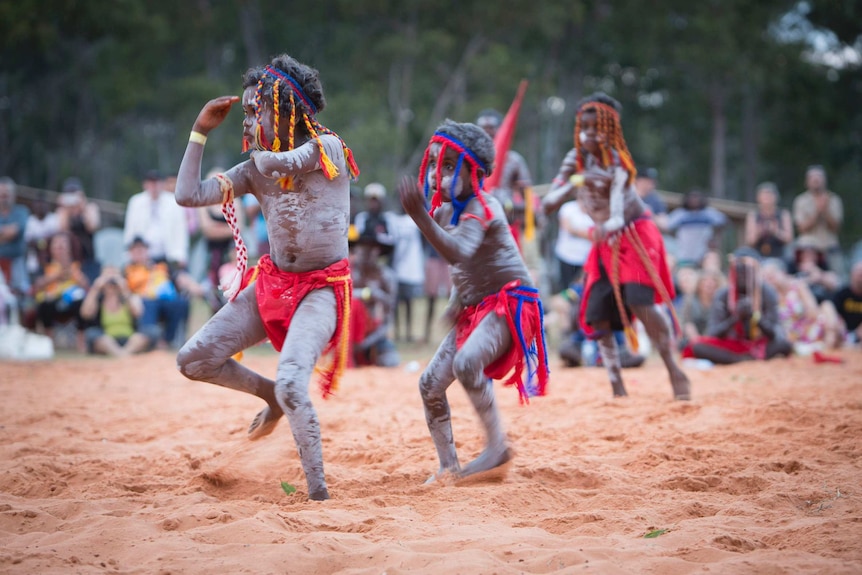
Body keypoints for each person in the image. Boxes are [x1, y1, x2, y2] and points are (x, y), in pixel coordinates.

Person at [174, 53, 359, 501]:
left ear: (288, 108)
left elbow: (280, 165)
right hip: (274, 285)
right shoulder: (257, 165)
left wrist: (257, 154)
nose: (251, 118)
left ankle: (318, 494)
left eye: (259, 108)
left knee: (296, 381)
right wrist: (199, 130)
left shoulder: (327, 148)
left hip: (322, 291)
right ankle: (270, 396)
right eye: (249, 111)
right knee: (193, 360)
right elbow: (187, 195)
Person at [398, 119, 549, 482]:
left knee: (467, 363)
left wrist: (418, 216)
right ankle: (448, 466)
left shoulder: (485, 206)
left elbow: (460, 252)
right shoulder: (441, 212)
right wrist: (456, 302)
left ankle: (497, 446)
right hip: (476, 309)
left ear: (475, 172)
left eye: (448, 167)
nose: (437, 175)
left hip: (510, 304)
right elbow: (460, 272)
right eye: (434, 164)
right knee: (429, 385)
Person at [542, 92, 690, 400]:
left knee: (639, 300)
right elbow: (549, 202)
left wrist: (597, 226)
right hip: (604, 241)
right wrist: (570, 185)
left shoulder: (618, 163)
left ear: (610, 129)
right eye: (584, 126)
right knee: (597, 313)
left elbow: (617, 216)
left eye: (596, 127)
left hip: (634, 234)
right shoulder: (574, 159)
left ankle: (673, 368)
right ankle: (616, 385)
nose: (588, 133)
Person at [686, 249, 792, 364]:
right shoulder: (723, 294)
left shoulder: (767, 292)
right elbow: (713, 333)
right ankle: (739, 359)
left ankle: (744, 358)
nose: (742, 275)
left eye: (747, 271)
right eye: (739, 271)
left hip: (760, 344)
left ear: (755, 272)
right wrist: (736, 318)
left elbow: (773, 333)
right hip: (731, 346)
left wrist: (754, 316)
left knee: (784, 344)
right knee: (697, 346)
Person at [476, 109, 534, 248]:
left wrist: (510, 205)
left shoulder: (514, 160)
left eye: (491, 128)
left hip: (507, 224)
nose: (487, 133)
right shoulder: (468, 159)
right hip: (475, 224)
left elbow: (529, 199)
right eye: (482, 129)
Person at [760, 258, 844, 352]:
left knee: (827, 306)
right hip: (787, 335)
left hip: (806, 327)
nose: (770, 279)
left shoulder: (797, 286)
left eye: (772, 274)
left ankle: (829, 346)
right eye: (766, 277)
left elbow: (813, 311)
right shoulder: (768, 296)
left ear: (783, 272)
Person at [349, 231, 400, 367]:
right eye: (362, 247)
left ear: (378, 251)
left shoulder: (387, 277)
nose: (366, 252)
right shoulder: (347, 274)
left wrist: (365, 343)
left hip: (373, 336)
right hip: (347, 335)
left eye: (371, 248)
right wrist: (366, 293)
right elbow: (339, 299)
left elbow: (388, 321)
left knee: (390, 361)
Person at [30, 231, 90, 348]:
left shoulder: (77, 265)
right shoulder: (45, 266)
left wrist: (73, 272)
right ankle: (49, 343)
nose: (60, 247)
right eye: (56, 244)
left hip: (72, 303)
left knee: (81, 300)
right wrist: (56, 276)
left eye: (63, 243)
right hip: (51, 302)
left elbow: (86, 286)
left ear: (69, 248)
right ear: (51, 248)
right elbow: (36, 286)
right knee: (44, 303)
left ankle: (81, 342)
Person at [80, 265, 155, 357]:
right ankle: (123, 354)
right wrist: (96, 288)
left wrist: (125, 289)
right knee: (93, 335)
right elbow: (85, 313)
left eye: (115, 276)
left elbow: (138, 313)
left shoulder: (128, 296)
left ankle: (122, 354)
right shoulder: (98, 299)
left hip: (130, 339)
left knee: (148, 333)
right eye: (107, 276)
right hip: (107, 340)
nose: (111, 281)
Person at [123, 170, 190, 269]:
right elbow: (130, 230)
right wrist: (130, 255)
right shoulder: (136, 202)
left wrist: (180, 255)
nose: (154, 186)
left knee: (179, 280)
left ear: (162, 184)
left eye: (156, 182)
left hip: (168, 255)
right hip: (142, 256)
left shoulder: (174, 202)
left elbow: (180, 231)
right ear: (145, 184)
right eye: (151, 183)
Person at [792, 165, 844, 278]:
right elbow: (801, 228)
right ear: (807, 182)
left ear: (824, 180)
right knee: (806, 278)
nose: (816, 180)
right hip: (809, 249)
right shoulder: (800, 201)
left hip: (830, 247)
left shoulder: (834, 200)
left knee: (838, 279)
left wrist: (825, 211)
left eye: (819, 177)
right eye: (813, 178)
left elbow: (836, 227)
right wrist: (818, 211)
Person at [665, 189, 728, 268]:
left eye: (696, 197)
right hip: (685, 248)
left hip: (703, 247)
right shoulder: (681, 214)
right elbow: (667, 225)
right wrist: (675, 238)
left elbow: (723, 221)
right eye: (692, 197)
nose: (694, 200)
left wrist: (714, 238)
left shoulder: (708, 213)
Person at [56, 177, 102, 281]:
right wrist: (66, 209)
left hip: (89, 258)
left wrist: (83, 207)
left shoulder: (90, 208)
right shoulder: (63, 211)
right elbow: (63, 229)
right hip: (71, 260)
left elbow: (92, 226)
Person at [745, 181, 793, 261]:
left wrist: (775, 231)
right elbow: (749, 241)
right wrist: (759, 232)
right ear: (758, 198)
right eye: (764, 195)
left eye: (769, 195)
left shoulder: (783, 214)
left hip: (779, 256)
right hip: (758, 256)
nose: (767, 198)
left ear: (776, 197)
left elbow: (789, 239)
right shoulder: (753, 215)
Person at [0, 177, 32, 296]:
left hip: (16, 263)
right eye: (1, 194)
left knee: (21, 294)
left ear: (13, 195)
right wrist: (7, 233)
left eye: (6, 194)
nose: (4, 197)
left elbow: (15, 231)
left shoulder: (21, 211)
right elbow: (10, 232)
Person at [832, 260, 862, 345]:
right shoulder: (842, 294)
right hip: (843, 333)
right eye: (859, 274)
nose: (860, 277)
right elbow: (834, 312)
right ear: (851, 275)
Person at [633, 167, 668, 231]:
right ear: (637, 180)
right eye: (646, 181)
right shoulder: (628, 196)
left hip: (646, 232)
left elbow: (664, 224)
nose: (650, 185)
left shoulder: (656, 199)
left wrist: (648, 213)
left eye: (652, 182)